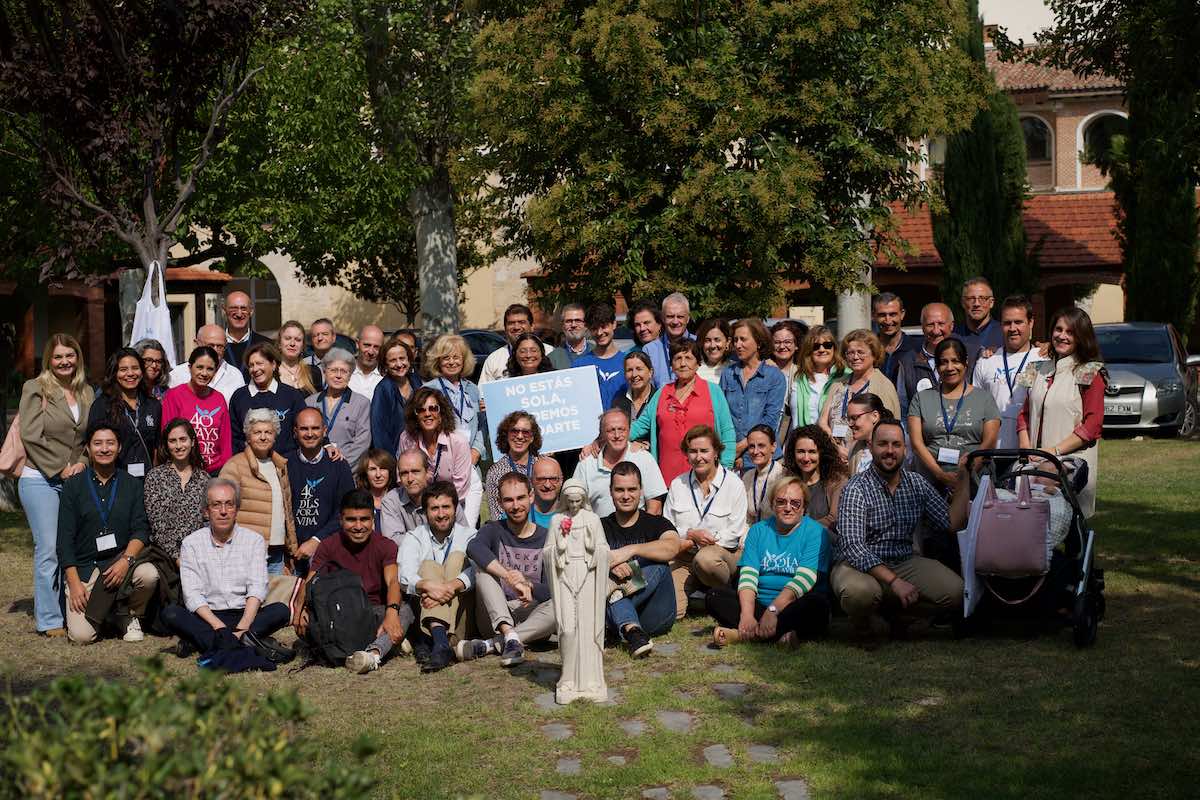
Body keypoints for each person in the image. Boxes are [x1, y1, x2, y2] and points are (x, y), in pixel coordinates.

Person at [831, 419, 971, 639]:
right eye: (883, 444)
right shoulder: (856, 487)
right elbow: (854, 547)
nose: (889, 451)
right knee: (860, 594)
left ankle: (895, 615)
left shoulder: (917, 484)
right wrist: (895, 582)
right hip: (858, 566)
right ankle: (864, 624)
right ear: (871, 447)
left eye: (896, 444)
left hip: (903, 560)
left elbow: (950, 523)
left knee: (956, 593)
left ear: (905, 449)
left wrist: (964, 478)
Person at [161, 479, 291, 656]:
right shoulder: (191, 543)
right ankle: (247, 640)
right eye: (216, 505)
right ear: (206, 511)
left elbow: (257, 588)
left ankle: (206, 643)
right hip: (208, 617)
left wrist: (243, 626)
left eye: (229, 504)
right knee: (171, 614)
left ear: (236, 510)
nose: (223, 511)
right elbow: (192, 595)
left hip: (244, 615)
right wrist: (219, 627)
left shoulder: (254, 540)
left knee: (281, 610)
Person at [18, 334, 94, 637]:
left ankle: (69, 608)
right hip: (39, 478)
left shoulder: (87, 391)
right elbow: (31, 435)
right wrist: (59, 468)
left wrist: (83, 463)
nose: (65, 362)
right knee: (48, 547)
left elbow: (90, 437)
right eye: (58, 357)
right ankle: (49, 619)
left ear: (78, 358)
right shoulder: (35, 388)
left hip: (74, 477)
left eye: (70, 356)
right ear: (49, 359)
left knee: (71, 546)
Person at [58, 422, 159, 644]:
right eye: (98, 443)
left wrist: (126, 560)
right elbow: (64, 540)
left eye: (110, 443)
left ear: (119, 447)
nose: (104, 449)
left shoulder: (131, 484)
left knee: (149, 575)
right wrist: (74, 583)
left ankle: (127, 614)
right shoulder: (73, 487)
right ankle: (108, 614)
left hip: (121, 564)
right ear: (88, 449)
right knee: (81, 637)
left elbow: (141, 529)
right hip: (86, 568)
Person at [295, 489, 412, 674]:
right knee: (309, 626)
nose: (358, 526)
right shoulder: (328, 545)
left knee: (404, 609)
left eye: (364, 519)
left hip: (373, 611)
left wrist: (391, 613)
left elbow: (393, 583)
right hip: (338, 613)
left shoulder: (386, 545)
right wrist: (299, 611)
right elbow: (309, 582)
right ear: (341, 520)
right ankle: (389, 641)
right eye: (351, 520)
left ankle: (373, 654)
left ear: (373, 520)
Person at [708, 476, 831, 647]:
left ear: (804, 508)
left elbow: (805, 579)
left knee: (818, 606)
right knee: (714, 596)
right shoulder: (758, 531)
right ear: (773, 505)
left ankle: (742, 634)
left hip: (795, 603)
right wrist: (747, 614)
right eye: (781, 502)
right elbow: (748, 576)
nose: (788, 508)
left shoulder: (816, 532)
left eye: (795, 503)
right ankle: (779, 635)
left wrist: (773, 611)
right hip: (759, 603)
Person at [1018, 307, 1107, 517]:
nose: (1062, 336)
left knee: (1069, 527)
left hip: (1071, 462)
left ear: (1081, 336)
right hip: (1033, 461)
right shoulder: (1034, 368)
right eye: (1058, 329)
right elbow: (1023, 414)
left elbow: (1092, 426)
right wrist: (1025, 446)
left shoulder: (1090, 371)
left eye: (1070, 332)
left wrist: (1054, 451)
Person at [457, 473, 554, 665]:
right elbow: (473, 548)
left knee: (562, 604)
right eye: (508, 500)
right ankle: (507, 634)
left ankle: (495, 644)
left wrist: (528, 584)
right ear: (500, 503)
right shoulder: (493, 529)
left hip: (531, 614)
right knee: (482, 571)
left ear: (531, 496)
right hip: (495, 616)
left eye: (520, 498)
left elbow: (550, 590)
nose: (516, 506)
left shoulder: (547, 537)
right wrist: (509, 577)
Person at [663, 425, 748, 619]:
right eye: (692, 451)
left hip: (723, 554)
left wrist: (706, 539)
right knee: (672, 612)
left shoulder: (734, 484)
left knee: (706, 560)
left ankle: (724, 593)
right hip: (685, 556)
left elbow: (733, 535)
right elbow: (668, 527)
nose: (698, 457)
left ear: (716, 452)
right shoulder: (678, 484)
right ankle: (701, 597)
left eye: (704, 451)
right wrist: (691, 534)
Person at [630, 339, 736, 485]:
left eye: (688, 358)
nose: (683, 363)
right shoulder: (662, 394)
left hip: (707, 478)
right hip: (667, 479)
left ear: (698, 363)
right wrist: (609, 436)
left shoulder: (713, 391)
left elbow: (727, 432)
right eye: (678, 358)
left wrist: (726, 469)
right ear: (671, 365)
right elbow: (638, 427)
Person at [602, 462, 680, 655]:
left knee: (658, 565)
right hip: (614, 606)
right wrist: (609, 567)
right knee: (609, 584)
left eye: (632, 489)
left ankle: (622, 619)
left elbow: (672, 547)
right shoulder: (600, 526)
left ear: (641, 491)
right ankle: (632, 631)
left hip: (655, 612)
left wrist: (630, 551)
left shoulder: (657, 523)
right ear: (610, 492)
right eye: (619, 490)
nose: (626, 496)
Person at [397, 481, 476, 672]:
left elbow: (478, 571)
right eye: (434, 508)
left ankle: (435, 643)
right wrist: (431, 587)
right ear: (425, 512)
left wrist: (451, 586)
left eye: (446, 507)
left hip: (461, 619)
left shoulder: (470, 535)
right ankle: (441, 644)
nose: (441, 514)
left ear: (455, 508)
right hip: (426, 613)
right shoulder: (414, 537)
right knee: (428, 567)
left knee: (458, 558)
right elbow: (404, 575)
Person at [908, 338, 1001, 493]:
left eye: (955, 361)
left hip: (974, 476)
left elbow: (989, 442)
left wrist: (965, 474)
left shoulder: (984, 398)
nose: (950, 367)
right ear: (937, 367)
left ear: (965, 363)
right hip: (930, 478)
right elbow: (916, 444)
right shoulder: (921, 398)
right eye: (944, 362)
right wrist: (940, 474)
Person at [218, 408, 297, 575]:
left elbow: (287, 511)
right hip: (245, 551)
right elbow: (221, 509)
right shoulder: (235, 466)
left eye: (268, 432)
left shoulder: (280, 466)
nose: (263, 437)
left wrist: (290, 549)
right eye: (257, 432)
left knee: (273, 600)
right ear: (248, 436)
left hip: (276, 551)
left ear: (275, 435)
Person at [971, 296, 1049, 449]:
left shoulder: (1045, 359)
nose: (1012, 328)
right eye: (1007, 323)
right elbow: (976, 411)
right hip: (992, 453)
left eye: (1018, 322)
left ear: (1031, 322)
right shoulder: (986, 362)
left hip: (1031, 452)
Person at [286, 408, 356, 565]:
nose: (310, 434)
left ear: (325, 431)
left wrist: (317, 539)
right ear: (295, 431)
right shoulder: (284, 464)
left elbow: (346, 509)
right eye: (304, 428)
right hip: (291, 553)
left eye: (315, 428)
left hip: (329, 552)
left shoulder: (338, 465)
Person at [819, 329, 900, 458]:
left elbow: (888, 428)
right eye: (850, 353)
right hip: (835, 456)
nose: (855, 357)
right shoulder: (838, 384)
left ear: (874, 354)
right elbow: (822, 422)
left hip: (867, 457)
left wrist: (851, 451)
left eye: (860, 352)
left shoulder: (884, 385)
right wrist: (835, 448)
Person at [573, 409, 667, 517]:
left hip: (638, 531)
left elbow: (655, 508)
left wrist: (645, 532)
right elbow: (575, 506)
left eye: (622, 429)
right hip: (598, 531)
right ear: (602, 434)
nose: (617, 435)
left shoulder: (644, 459)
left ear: (629, 430)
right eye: (611, 430)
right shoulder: (587, 464)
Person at [720, 318, 787, 467]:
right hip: (733, 459)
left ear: (758, 342)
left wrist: (742, 447)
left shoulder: (774, 376)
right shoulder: (728, 374)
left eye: (743, 339)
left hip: (764, 457)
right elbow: (722, 416)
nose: (738, 345)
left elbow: (770, 419)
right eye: (735, 340)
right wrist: (731, 451)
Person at [144, 419, 211, 561]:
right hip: (163, 555)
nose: (179, 446)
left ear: (192, 442)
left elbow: (207, 523)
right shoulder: (155, 477)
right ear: (166, 445)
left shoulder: (205, 479)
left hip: (198, 553)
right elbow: (158, 526)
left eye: (183, 439)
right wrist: (177, 558)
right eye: (173, 441)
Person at [87, 347, 160, 477]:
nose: (130, 373)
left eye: (135, 368)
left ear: (142, 372)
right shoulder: (102, 405)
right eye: (123, 369)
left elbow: (156, 447)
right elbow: (93, 446)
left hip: (147, 480)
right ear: (114, 373)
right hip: (114, 479)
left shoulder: (153, 405)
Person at [397, 388, 473, 509]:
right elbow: (402, 477)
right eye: (421, 410)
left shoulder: (458, 442)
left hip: (454, 503)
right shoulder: (406, 439)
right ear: (414, 415)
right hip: (418, 502)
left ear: (441, 413)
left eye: (433, 408)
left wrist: (435, 508)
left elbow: (460, 488)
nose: (427, 414)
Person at [161, 346, 233, 474]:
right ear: (190, 368)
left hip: (215, 471)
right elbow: (167, 437)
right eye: (199, 367)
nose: (204, 373)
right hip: (183, 470)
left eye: (210, 369)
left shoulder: (219, 398)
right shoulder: (174, 396)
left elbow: (225, 441)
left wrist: (225, 470)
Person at [228, 343, 307, 457]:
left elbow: (303, 428)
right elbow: (234, 437)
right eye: (251, 365)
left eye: (260, 363)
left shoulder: (291, 395)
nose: (255, 369)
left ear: (273, 365)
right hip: (249, 465)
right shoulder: (239, 396)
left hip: (285, 464)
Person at [380, 449, 468, 543]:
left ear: (427, 472)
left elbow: (465, 535)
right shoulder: (391, 500)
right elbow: (393, 541)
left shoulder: (446, 495)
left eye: (415, 472)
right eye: (404, 473)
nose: (410, 479)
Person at [306, 348, 371, 467]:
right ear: (324, 372)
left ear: (350, 376)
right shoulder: (309, 402)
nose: (338, 376)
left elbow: (362, 443)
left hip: (346, 469)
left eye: (344, 371)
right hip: (314, 468)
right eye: (334, 370)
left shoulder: (362, 403)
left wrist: (341, 466)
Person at [895, 302, 957, 418]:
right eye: (930, 324)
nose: (936, 330)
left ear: (951, 326)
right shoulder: (907, 362)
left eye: (941, 324)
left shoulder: (968, 356)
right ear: (922, 327)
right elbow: (902, 407)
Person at [783, 424, 849, 531]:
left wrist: (798, 529)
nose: (806, 458)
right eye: (800, 451)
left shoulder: (836, 481)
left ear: (822, 453)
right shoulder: (787, 480)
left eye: (812, 452)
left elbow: (834, 519)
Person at [484, 410, 541, 520]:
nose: (519, 436)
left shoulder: (542, 464)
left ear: (532, 437)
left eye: (525, 432)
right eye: (514, 431)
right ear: (506, 435)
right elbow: (497, 517)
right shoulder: (496, 472)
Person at [167, 324, 246, 403]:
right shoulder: (177, 374)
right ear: (197, 344)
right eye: (210, 346)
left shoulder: (235, 376)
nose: (215, 351)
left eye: (220, 346)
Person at [479, 303, 555, 384]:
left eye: (521, 322)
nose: (516, 327)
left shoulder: (551, 352)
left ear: (532, 326)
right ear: (505, 328)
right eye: (511, 323)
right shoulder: (494, 360)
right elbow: (483, 394)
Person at [372, 336, 422, 457]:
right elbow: (379, 431)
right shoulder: (383, 389)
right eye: (393, 360)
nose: (399, 364)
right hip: (396, 455)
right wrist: (390, 463)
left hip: (419, 452)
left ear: (409, 359)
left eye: (402, 358)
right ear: (385, 364)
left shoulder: (416, 381)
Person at [791, 325, 846, 429]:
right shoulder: (800, 380)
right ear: (809, 351)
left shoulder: (845, 376)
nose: (822, 349)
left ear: (834, 348)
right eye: (815, 346)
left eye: (827, 345)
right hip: (807, 440)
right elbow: (796, 421)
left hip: (837, 441)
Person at [574, 302, 627, 409]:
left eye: (603, 326)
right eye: (594, 328)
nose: (599, 332)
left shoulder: (628, 362)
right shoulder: (579, 365)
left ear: (614, 324)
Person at [643, 292, 696, 388]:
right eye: (670, 316)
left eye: (680, 317)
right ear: (663, 318)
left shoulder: (699, 344)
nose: (675, 322)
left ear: (688, 318)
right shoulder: (649, 351)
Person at [770, 320, 807, 447]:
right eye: (777, 342)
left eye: (787, 342)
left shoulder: (803, 374)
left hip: (792, 439)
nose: (782, 347)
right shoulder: (763, 371)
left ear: (796, 345)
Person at [741, 425, 784, 525]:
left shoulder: (783, 475)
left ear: (773, 447)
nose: (755, 451)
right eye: (751, 446)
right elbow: (747, 518)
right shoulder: (747, 477)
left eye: (761, 445)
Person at [872, 292, 917, 384]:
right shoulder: (868, 349)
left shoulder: (916, 349)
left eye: (892, 314)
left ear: (902, 314)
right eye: (882, 315)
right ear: (874, 316)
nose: (888, 321)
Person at [843, 394, 892, 475]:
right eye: (848, 419)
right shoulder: (855, 450)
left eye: (854, 418)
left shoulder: (891, 448)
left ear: (874, 416)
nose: (850, 424)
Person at [954, 277, 1003, 355]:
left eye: (982, 298)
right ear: (963, 303)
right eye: (971, 298)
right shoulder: (953, 335)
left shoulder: (1004, 334)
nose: (976, 304)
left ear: (991, 303)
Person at [276, 320, 325, 395]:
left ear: (303, 346)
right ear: (279, 343)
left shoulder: (314, 372)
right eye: (288, 338)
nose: (292, 343)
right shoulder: (271, 373)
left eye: (298, 340)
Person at [355, 448, 397, 533]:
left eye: (383, 468)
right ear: (365, 473)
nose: (378, 475)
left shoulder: (399, 498)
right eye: (373, 469)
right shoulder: (357, 500)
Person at [614, 351, 656, 424]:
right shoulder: (618, 403)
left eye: (639, 369)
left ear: (650, 372)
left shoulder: (659, 400)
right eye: (629, 370)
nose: (634, 374)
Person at [549, 303, 591, 368]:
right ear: (562, 326)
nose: (573, 325)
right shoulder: (553, 359)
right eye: (569, 321)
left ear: (585, 325)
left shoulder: (598, 350)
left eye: (578, 321)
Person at [349, 325, 386, 398]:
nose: (371, 352)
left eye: (376, 347)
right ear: (357, 344)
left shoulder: (386, 376)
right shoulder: (343, 372)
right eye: (367, 345)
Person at [530, 456, 564, 527]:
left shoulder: (573, 514)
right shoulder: (517, 514)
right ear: (531, 481)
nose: (547, 485)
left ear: (561, 481)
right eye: (541, 479)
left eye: (553, 479)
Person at [695, 318, 733, 384]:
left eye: (717, 340)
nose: (712, 346)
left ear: (728, 342)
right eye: (707, 340)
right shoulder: (694, 370)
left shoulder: (735, 369)